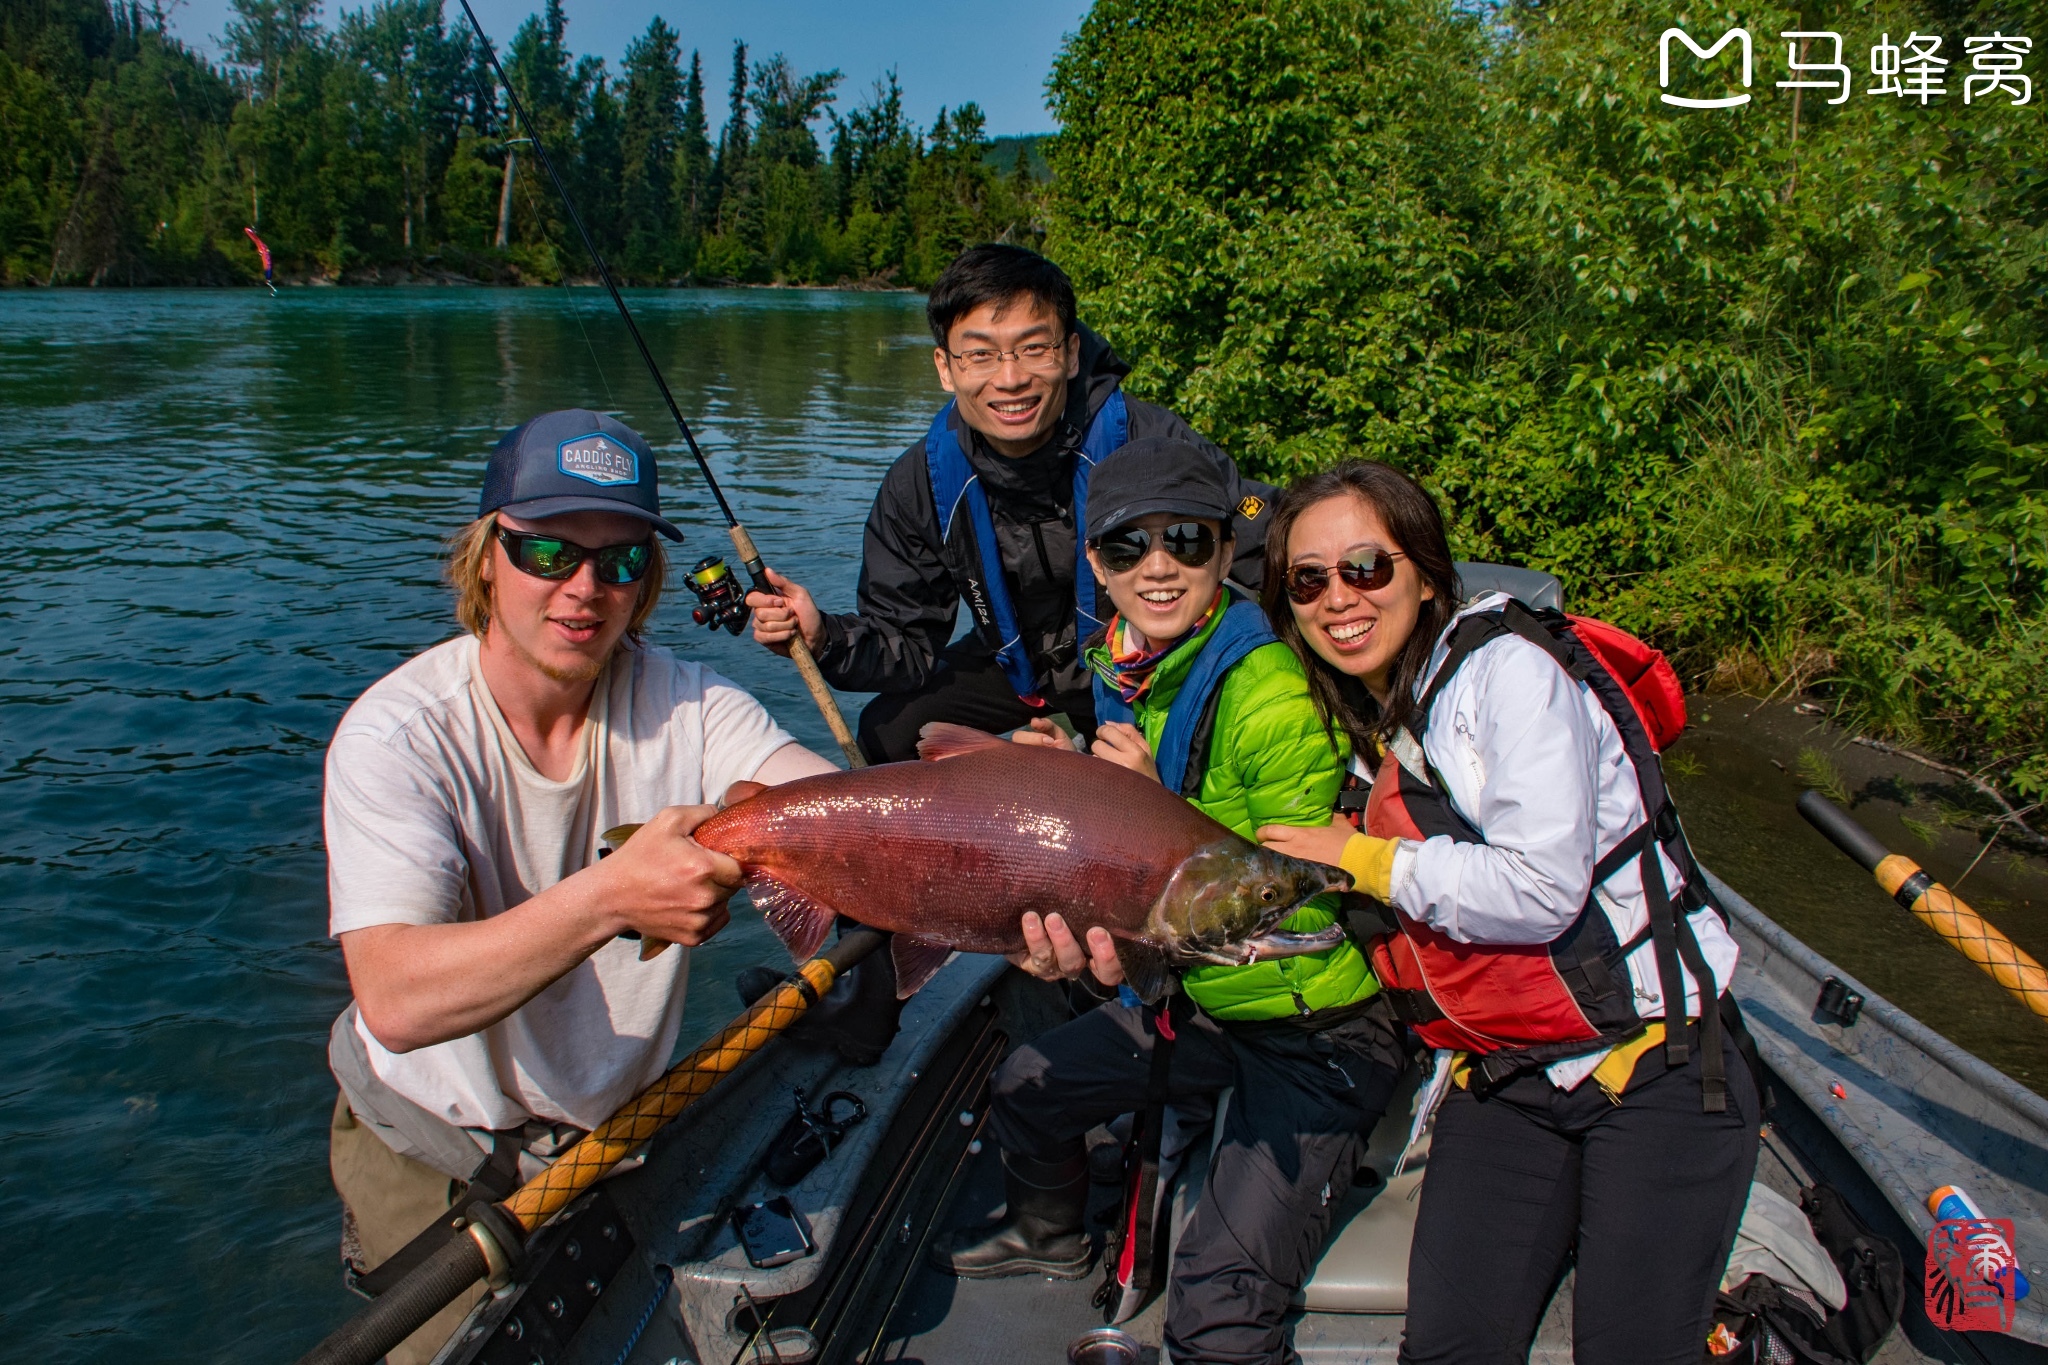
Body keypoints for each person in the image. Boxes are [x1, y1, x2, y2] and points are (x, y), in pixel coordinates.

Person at [319, 409, 841, 1363]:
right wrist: (610, 896)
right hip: (430, 1145)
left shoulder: (690, 704)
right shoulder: (398, 736)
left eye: (623, 560)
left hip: (612, 1135)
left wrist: (995, 835)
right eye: (549, 550)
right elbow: (392, 998)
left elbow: (819, 803)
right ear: (486, 558)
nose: (584, 588)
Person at [1254, 462, 1756, 1365]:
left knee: (1632, 1350)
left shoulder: (1508, 675)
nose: (1340, 597)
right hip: (1509, 1074)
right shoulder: (1371, 720)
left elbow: (1541, 888)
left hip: (1658, 1063)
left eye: (1368, 566)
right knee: (1449, 1348)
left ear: (1428, 574)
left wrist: (1363, 857)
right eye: (1308, 579)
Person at [926, 437, 1406, 1365]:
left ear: (1227, 554)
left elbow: (1306, 900)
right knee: (1024, 1086)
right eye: (1125, 548)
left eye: (1185, 541)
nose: (1157, 568)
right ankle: (1048, 1236)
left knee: (1218, 1321)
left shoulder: (1269, 694)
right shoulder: (1126, 666)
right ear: (1097, 570)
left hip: (1314, 1027)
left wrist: (1152, 811)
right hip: (1198, 996)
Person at [745, 244, 1274, 764]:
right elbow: (903, 640)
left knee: (1188, 752)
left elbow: (1256, 532)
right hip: (1017, 663)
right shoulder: (922, 481)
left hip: (1141, 661)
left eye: (1032, 348)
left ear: (1069, 354)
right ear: (946, 368)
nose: (1011, 378)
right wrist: (824, 637)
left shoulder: (1146, 440)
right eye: (980, 354)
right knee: (887, 731)